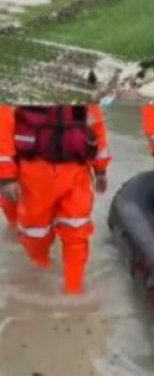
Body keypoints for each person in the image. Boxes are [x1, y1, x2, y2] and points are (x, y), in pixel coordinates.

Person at [0, 105, 111, 295]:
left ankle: (73, 292)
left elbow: (96, 126)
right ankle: (39, 277)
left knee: (77, 231)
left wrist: (100, 169)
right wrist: (7, 177)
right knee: (35, 235)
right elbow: (3, 133)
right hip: (34, 174)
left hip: (77, 172)